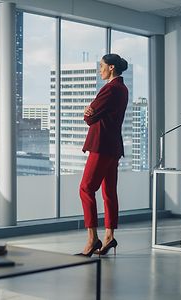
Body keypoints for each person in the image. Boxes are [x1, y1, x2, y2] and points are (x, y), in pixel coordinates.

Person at [77, 53, 129, 257]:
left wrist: (87, 111)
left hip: (102, 146)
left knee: (86, 188)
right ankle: (109, 236)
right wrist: (91, 111)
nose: (100, 70)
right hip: (113, 146)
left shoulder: (110, 89)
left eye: (102, 66)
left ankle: (92, 238)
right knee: (109, 192)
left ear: (112, 68)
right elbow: (94, 114)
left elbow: (89, 118)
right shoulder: (122, 89)